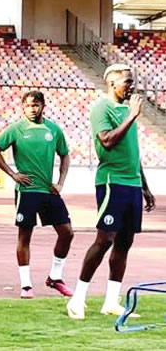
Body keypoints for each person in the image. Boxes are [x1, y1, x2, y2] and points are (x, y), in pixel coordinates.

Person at [67, 64, 155, 320]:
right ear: (112, 82)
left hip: (132, 183)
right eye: (127, 81)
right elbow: (106, 140)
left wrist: (145, 186)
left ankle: (111, 302)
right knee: (104, 239)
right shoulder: (101, 107)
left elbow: (133, 151)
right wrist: (132, 116)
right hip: (111, 182)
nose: (132, 86)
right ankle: (78, 298)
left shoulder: (128, 110)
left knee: (125, 242)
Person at [0, 90, 74, 299]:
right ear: (22, 107)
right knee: (25, 237)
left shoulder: (53, 129)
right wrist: (12, 174)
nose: (31, 109)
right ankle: (26, 285)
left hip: (48, 190)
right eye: (27, 106)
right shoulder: (17, 129)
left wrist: (60, 183)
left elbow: (65, 155)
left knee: (67, 233)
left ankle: (55, 277)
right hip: (26, 191)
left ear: (43, 106)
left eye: (35, 105)